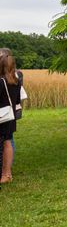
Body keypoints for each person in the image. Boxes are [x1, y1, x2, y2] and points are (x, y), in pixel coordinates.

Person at [0, 48, 21, 185]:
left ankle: (6, 174)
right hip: (10, 115)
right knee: (8, 141)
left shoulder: (1, 81)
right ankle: (7, 173)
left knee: (6, 142)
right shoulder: (15, 80)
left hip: (2, 116)